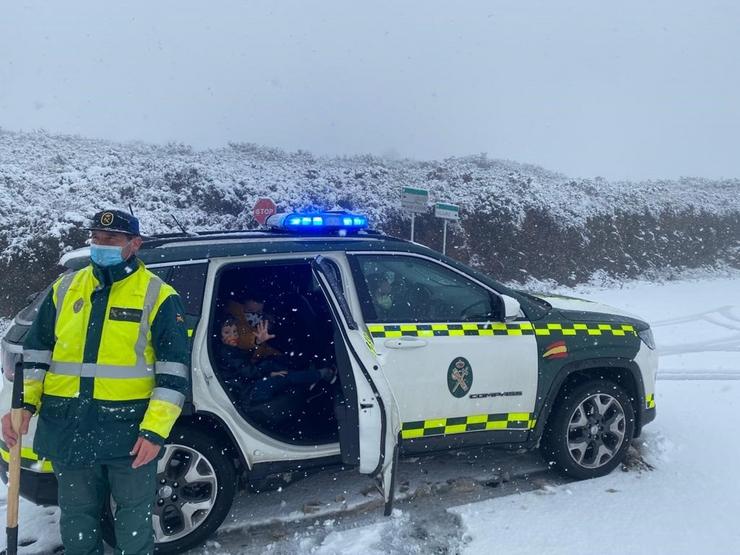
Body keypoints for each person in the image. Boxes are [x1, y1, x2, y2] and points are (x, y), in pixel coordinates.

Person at [1, 209, 190, 555]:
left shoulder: (158, 296)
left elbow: (173, 372)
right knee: (76, 518)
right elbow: (37, 353)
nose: (100, 245)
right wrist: (24, 405)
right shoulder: (66, 287)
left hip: (129, 432)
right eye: (96, 238)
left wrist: (154, 432)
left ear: (134, 244)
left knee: (133, 522)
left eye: (112, 239)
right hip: (69, 427)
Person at [214, 319, 334, 407]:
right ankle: (320, 374)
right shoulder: (225, 352)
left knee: (270, 363)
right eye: (227, 332)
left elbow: (243, 361)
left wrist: (258, 342)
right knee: (282, 377)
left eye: (235, 332)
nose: (233, 335)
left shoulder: (228, 349)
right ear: (219, 336)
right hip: (245, 392)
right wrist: (269, 375)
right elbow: (248, 372)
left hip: (244, 383)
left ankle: (306, 377)